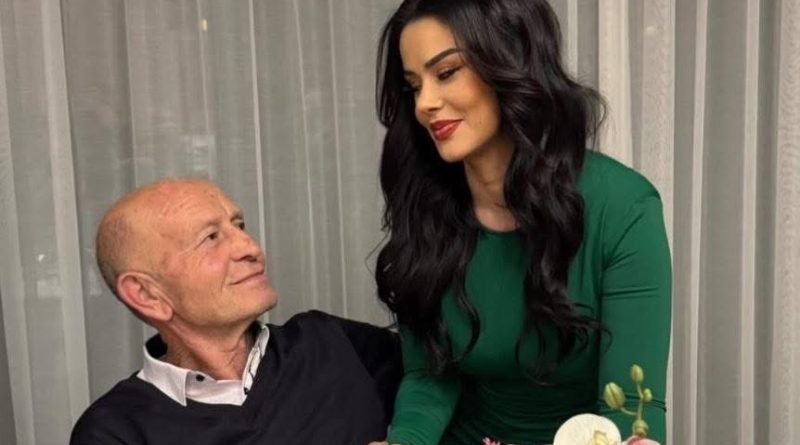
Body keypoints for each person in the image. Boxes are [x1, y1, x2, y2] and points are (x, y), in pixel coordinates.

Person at [370, 0, 671, 444]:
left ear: (510, 64)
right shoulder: (427, 209)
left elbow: (630, 408)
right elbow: (430, 376)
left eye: (447, 72)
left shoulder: (624, 208)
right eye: (414, 86)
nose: (425, 104)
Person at [70, 179, 402, 445]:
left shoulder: (329, 342)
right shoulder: (115, 431)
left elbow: (431, 379)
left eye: (240, 226)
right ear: (146, 294)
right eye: (211, 238)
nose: (250, 247)